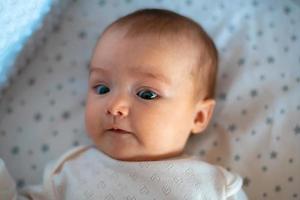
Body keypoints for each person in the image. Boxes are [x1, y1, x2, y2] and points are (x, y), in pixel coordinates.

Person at [0, 8, 247, 199]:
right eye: (102, 88)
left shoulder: (215, 187)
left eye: (147, 94)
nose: (115, 105)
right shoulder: (71, 172)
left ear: (198, 117)